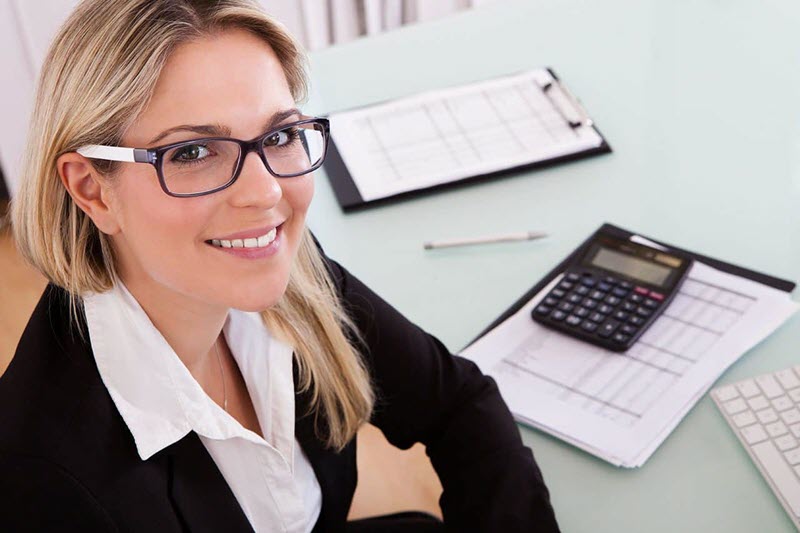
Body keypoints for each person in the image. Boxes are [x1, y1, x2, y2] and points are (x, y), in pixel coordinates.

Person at [0, 0, 560, 531]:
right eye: (193, 152)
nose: (266, 193)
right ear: (93, 190)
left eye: (280, 135)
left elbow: (459, 405)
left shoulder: (285, 272)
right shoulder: (43, 482)